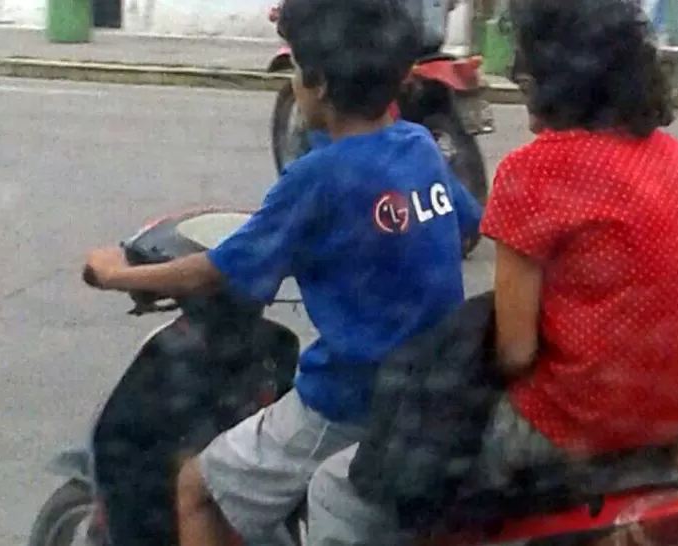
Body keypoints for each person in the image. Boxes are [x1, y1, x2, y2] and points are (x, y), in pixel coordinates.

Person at [304, 0, 678, 542]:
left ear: (551, 78)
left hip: (562, 431)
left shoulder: (534, 171)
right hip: (662, 434)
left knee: (363, 484)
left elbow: (515, 352)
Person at [81, 0, 483, 543]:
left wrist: (114, 275)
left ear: (316, 84)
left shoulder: (318, 176)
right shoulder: (418, 147)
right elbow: (465, 226)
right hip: (430, 388)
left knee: (198, 486)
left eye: (295, 68)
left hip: (351, 399)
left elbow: (215, 271)